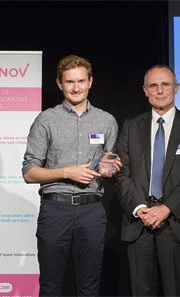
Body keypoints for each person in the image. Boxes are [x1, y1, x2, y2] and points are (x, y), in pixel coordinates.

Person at [22, 54, 121, 297]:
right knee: (51, 286)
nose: (76, 88)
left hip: (92, 210)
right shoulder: (46, 119)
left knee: (89, 288)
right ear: (59, 84)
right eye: (69, 82)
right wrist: (67, 172)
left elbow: (109, 167)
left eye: (80, 81)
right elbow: (29, 172)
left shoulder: (106, 120)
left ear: (90, 82)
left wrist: (112, 168)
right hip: (55, 210)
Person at [115, 65, 180, 296]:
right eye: (153, 86)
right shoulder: (131, 126)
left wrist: (166, 208)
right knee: (141, 291)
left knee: (175, 291)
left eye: (165, 85)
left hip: (176, 220)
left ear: (176, 88)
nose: (160, 91)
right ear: (145, 90)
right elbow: (121, 172)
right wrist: (141, 209)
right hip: (139, 220)